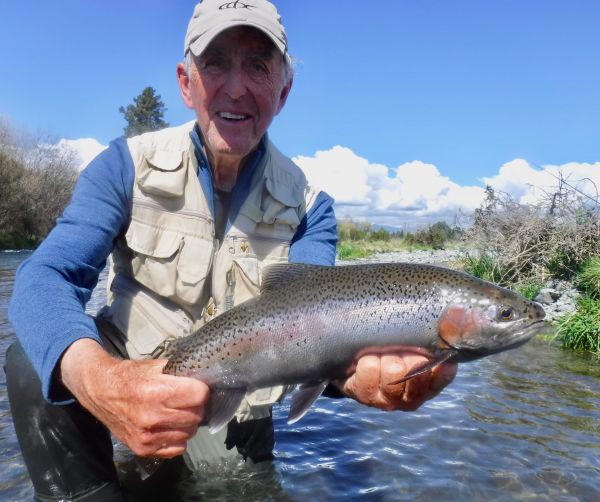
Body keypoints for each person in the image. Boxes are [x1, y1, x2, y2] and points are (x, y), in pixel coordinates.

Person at [6, 1, 457, 500]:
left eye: (258, 66)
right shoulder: (125, 166)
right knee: (33, 357)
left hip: (240, 399)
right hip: (132, 365)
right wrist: (101, 379)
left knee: (233, 489)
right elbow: (44, 277)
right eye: (215, 63)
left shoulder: (311, 208)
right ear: (186, 83)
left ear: (283, 92)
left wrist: (349, 378)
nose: (236, 87)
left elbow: (316, 328)